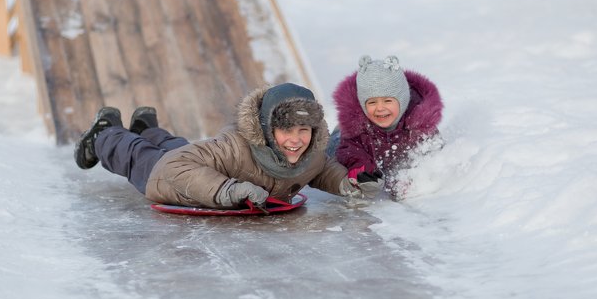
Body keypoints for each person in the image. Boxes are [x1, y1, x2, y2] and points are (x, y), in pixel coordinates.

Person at [73, 83, 381, 208]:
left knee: (181, 148)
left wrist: (348, 184)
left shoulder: (309, 153)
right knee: (139, 156)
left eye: (304, 130)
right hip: (166, 174)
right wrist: (226, 191)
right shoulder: (235, 147)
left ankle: (149, 130)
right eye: (285, 130)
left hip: (196, 162)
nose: (296, 140)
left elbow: (321, 169)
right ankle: (106, 132)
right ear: (266, 128)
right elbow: (174, 167)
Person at [331, 55, 443, 200]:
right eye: (372, 102)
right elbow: (351, 152)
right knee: (331, 153)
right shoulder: (357, 130)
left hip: (390, 164)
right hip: (342, 142)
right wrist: (364, 170)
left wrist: (413, 177)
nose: (380, 108)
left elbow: (434, 155)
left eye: (388, 101)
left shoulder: (419, 123)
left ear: (402, 100)